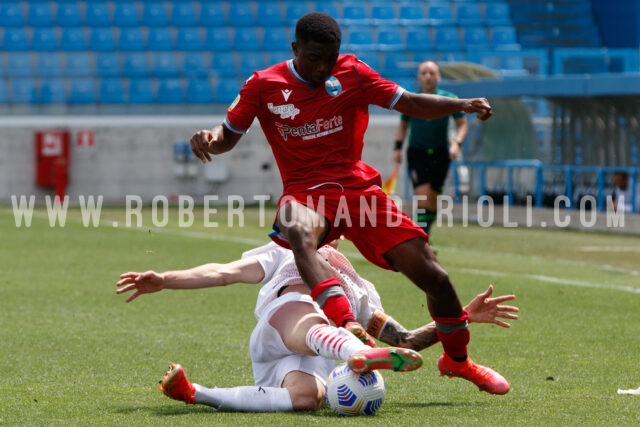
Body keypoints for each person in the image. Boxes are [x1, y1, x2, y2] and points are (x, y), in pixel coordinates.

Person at [189, 12, 504, 394]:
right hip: (304, 190)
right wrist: (210, 137)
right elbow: (228, 135)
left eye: (330, 58)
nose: (323, 68)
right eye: (313, 58)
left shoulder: (352, 72)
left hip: (357, 190)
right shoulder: (263, 85)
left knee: (435, 277)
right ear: (295, 49)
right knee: (298, 230)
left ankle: (458, 362)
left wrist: (460, 104)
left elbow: (410, 102)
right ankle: (348, 325)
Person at [116, 241, 519, 411]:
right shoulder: (284, 252)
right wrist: (166, 278)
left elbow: (406, 340)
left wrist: (459, 318)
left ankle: (194, 393)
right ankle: (356, 352)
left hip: (306, 365)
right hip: (280, 330)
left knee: (306, 398)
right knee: (305, 305)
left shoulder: (359, 287)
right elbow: (223, 271)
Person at [393, 60, 468, 239]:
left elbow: (462, 124)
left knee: (433, 201)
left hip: (441, 153)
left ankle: (425, 235)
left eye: (432, 73)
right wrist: (397, 148)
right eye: (424, 73)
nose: (428, 76)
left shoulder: (449, 99)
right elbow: (403, 125)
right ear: (419, 77)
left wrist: (457, 143)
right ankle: (422, 240)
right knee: (424, 197)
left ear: (438, 76)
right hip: (417, 153)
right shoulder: (411, 100)